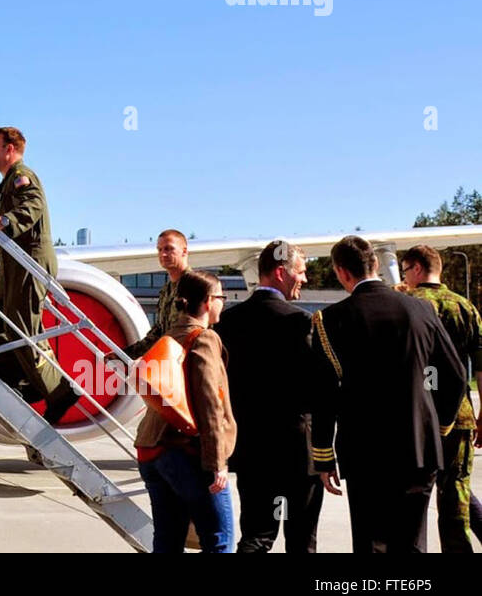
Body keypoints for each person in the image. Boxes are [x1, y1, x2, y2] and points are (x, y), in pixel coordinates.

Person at [310, 236, 467, 553]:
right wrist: (439, 428)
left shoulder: (330, 319)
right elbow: (454, 376)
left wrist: (324, 455)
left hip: (365, 451)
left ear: (341, 272)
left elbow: (324, 395)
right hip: (419, 448)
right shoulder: (420, 308)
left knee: (371, 544)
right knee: (411, 544)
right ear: (377, 265)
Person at [214, 240, 323, 552]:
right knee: (301, 539)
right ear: (280, 272)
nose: (304, 279)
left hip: (251, 450)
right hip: (296, 451)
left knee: (257, 536)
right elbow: (319, 389)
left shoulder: (229, 323)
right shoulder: (301, 322)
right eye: (300, 272)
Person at [0, 126, 78, 427]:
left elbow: (31, 207)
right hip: (11, 265)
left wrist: (3, 220)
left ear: (10, 149)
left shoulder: (22, 176)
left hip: (29, 262)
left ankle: (60, 393)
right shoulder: (7, 182)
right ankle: (24, 383)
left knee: (22, 330)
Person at [135, 269, 237, 552]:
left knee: (168, 539)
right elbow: (209, 402)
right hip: (185, 452)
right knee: (219, 540)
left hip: (151, 448)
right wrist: (216, 461)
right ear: (206, 301)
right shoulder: (204, 338)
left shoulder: (169, 334)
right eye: (220, 297)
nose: (223, 303)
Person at [401, 244, 482, 552]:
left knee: (412, 498)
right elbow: (480, 365)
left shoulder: (408, 303)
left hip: (416, 416)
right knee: (456, 497)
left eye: (406, 270)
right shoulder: (465, 306)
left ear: (416, 268)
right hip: (459, 415)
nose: (405, 277)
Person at [124, 230, 190, 359]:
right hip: (169, 362)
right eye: (159, 250)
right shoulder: (166, 290)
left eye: (169, 249)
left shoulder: (197, 285)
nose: (163, 254)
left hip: (187, 361)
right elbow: (158, 331)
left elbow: (193, 331)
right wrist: (126, 355)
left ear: (184, 251)